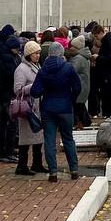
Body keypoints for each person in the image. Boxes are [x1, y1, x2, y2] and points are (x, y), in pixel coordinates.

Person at [31, 42, 82, 182]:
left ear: (48, 54)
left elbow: (34, 92)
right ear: (61, 53)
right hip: (65, 107)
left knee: (49, 140)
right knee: (68, 139)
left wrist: (45, 91)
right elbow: (77, 87)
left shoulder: (43, 70)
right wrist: (70, 98)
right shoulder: (68, 68)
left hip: (48, 108)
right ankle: (74, 170)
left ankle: (53, 172)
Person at [13, 41, 47, 175]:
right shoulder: (21, 69)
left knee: (38, 136)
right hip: (27, 108)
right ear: (29, 54)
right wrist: (34, 86)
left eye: (39, 53)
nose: (38, 56)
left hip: (37, 106)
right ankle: (22, 165)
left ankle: (37, 163)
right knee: (26, 138)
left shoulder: (36, 66)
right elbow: (17, 90)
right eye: (35, 53)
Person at [0, 29, 21, 163]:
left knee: (5, 124)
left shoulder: (1, 57)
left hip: (3, 95)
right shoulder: (8, 60)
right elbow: (11, 77)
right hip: (8, 95)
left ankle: (6, 150)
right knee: (10, 124)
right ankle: (7, 151)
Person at [93, 25, 111, 117]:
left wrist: (98, 57)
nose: (96, 38)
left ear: (101, 33)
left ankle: (110, 112)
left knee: (108, 92)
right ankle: (109, 112)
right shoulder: (108, 40)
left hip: (107, 71)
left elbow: (110, 57)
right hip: (107, 71)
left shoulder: (108, 41)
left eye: (97, 36)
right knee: (107, 92)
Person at [68, 35, 92, 127]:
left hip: (79, 86)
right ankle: (85, 122)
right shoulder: (84, 56)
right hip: (84, 85)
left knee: (78, 106)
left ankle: (84, 122)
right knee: (80, 105)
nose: (70, 48)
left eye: (72, 47)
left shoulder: (78, 59)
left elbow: (71, 70)